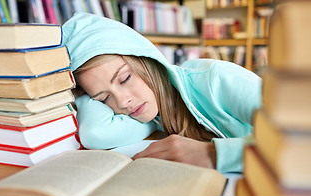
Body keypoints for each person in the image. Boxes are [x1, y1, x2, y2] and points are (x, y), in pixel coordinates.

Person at [61, 12, 262, 173]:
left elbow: (293, 135)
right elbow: (95, 133)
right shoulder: (154, 114)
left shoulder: (215, 78)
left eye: (125, 79)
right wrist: (80, 95)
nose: (122, 102)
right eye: (104, 98)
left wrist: (214, 154)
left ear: (146, 59)